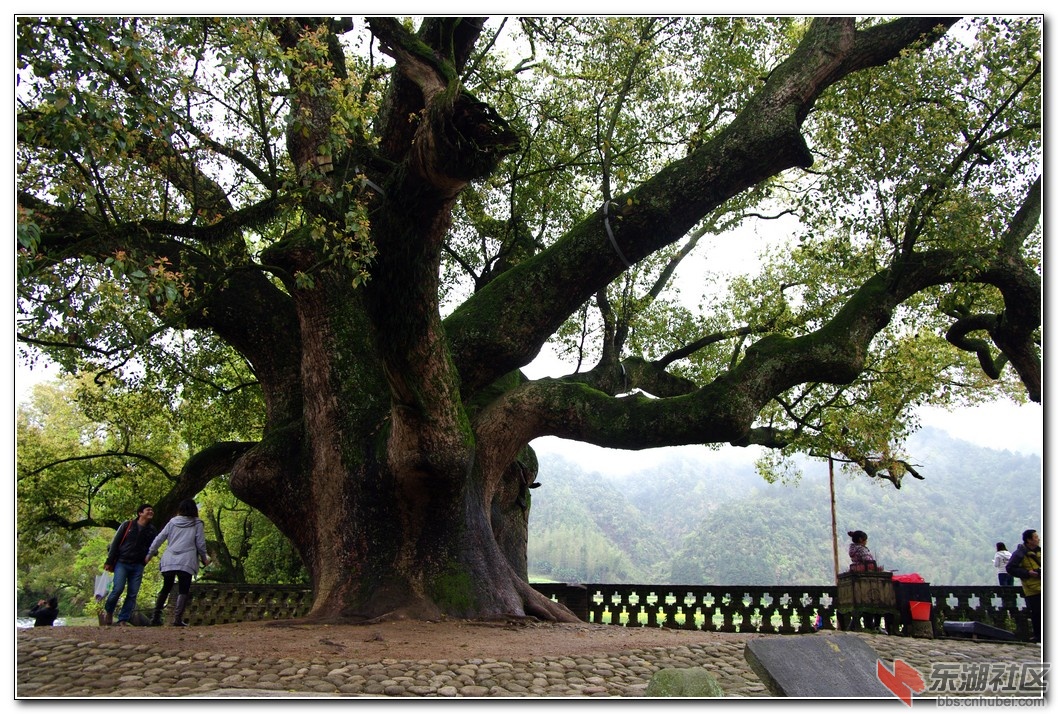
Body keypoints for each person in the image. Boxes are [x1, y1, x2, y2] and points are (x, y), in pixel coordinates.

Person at [146, 499, 211, 627]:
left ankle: (156, 617)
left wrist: (150, 553)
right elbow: (200, 542)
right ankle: (177, 618)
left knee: (166, 586)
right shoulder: (197, 523)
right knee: (184, 589)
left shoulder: (172, 522)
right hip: (187, 559)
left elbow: (159, 538)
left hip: (169, 559)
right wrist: (204, 556)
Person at [102, 503, 158, 626]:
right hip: (122, 562)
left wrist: (147, 558)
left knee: (132, 593)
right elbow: (115, 543)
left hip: (138, 565)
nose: (151, 512)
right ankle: (109, 611)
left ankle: (123, 619)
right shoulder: (127, 525)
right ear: (140, 513)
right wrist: (109, 561)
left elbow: (154, 547)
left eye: (152, 510)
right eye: (148, 510)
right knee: (117, 589)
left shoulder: (152, 530)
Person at [1006, 529, 1042, 643]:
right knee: (1037, 614)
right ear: (1029, 540)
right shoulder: (1020, 553)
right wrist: (1028, 573)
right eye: (1036, 537)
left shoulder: (1039, 551)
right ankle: (1038, 636)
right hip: (1032, 589)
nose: (1038, 539)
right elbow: (1010, 568)